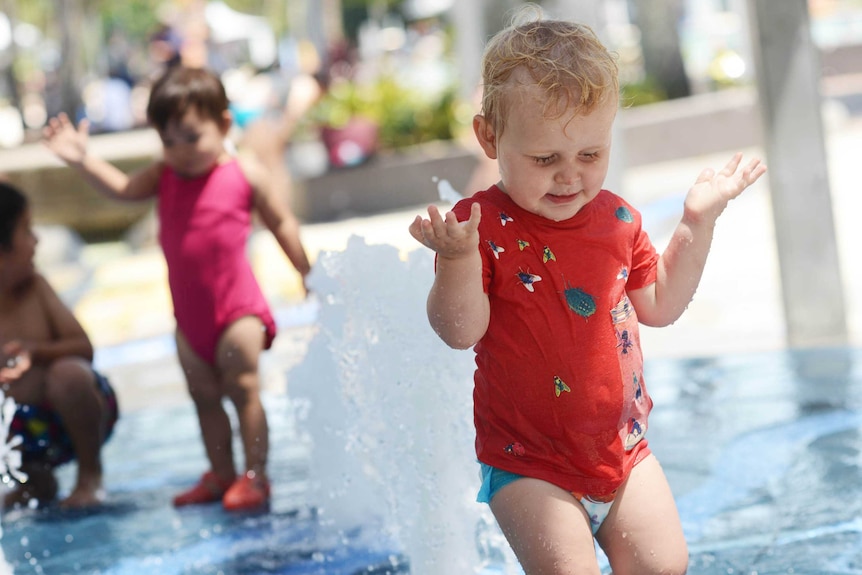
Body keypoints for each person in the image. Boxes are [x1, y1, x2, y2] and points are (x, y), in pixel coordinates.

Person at [408, 13, 766, 575]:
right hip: (528, 462)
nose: (569, 176)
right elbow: (459, 332)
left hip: (623, 450)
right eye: (545, 159)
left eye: (590, 155)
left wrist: (698, 221)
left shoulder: (618, 219)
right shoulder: (479, 228)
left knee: (665, 566)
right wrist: (456, 260)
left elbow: (661, 305)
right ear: (490, 137)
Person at [42, 66, 312, 512]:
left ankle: (256, 475)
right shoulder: (163, 174)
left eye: (191, 137)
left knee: (243, 390)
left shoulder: (245, 174)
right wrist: (81, 160)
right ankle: (221, 473)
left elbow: (282, 221)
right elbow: (124, 190)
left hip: (237, 312)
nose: (180, 151)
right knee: (204, 398)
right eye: (168, 141)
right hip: (189, 321)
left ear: (224, 125)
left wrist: (306, 270)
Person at [0, 181, 119, 510]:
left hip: (66, 422)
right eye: (27, 231)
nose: (36, 241)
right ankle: (34, 483)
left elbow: (84, 347)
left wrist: (36, 351)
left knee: (68, 374)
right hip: (20, 435)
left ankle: (90, 475)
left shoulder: (36, 290)